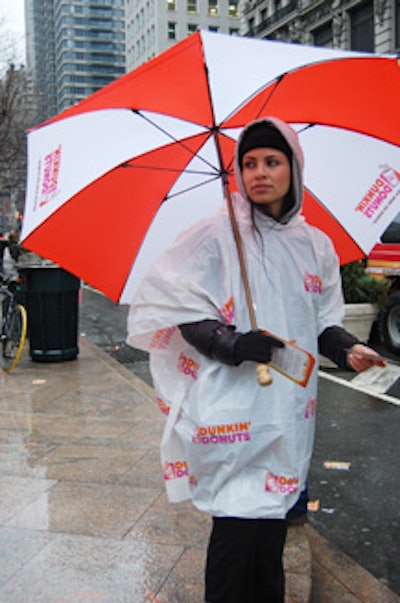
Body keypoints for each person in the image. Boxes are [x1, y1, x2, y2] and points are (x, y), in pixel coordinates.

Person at [127, 117, 385, 602]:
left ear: (294, 168)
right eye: (248, 163)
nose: (259, 172)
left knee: (270, 533)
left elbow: (320, 321)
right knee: (236, 530)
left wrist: (345, 348)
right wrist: (230, 342)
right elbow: (179, 306)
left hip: (288, 408)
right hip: (231, 408)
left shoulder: (316, 246)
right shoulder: (216, 235)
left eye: (272, 161)